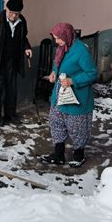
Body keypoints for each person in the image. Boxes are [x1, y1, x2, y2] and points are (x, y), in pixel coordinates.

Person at [40, 23, 97, 168]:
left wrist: (73, 80)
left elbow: (92, 73)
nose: (56, 42)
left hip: (77, 95)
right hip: (61, 92)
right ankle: (58, 154)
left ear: (67, 36)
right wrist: (54, 72)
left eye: (59, 38)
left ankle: (79, 155)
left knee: (76, 126)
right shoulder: (62, 48)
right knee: (56, 120)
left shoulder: (81, 51)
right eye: (55, 38)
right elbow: (57, 63)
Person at [0, 0, 33, 126]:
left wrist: (27, 47)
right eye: (11, 12)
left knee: (11, 89)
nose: (13, 16)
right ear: (6, 9)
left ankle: (10, 114)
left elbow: (23, 37)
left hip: (12, 61)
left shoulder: (22, 21)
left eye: (17, 13)